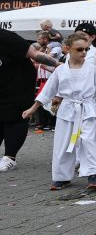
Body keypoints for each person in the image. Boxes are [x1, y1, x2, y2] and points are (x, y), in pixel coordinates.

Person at [22, 32, 96, 190]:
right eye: (79, 49)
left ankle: (93, 175)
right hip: (67, 110)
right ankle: (62, 176)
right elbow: (47, 91)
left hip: (87, 110)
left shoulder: (91, 69)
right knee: (63, 143)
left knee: (88, 142)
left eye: (86, 49)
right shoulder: (60, 70)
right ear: (67, 49)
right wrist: (33, 109)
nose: (84, 53)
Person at [1, 29, 60, 172]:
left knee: (16, 118)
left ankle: (10, 157)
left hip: (18, 85)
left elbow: (36, 55)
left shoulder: (6, 37)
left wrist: (60, 66)